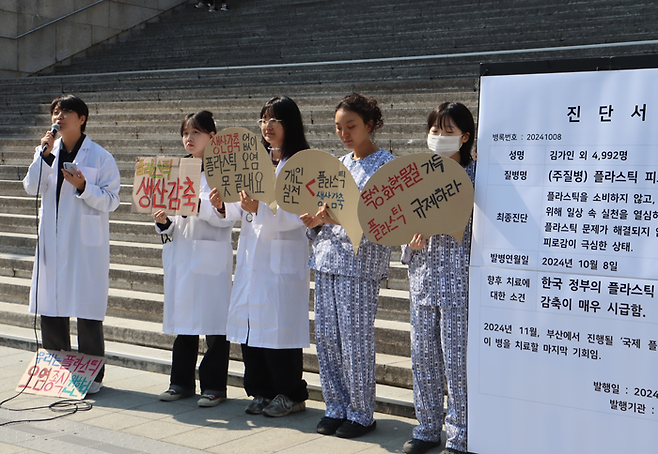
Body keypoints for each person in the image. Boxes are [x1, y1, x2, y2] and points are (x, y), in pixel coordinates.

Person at [301, 93, 393, 439]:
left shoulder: (386, 165)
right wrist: (316, 221)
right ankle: (336, 406)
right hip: (326, 259)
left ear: (370, 124)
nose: (344, 133)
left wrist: (338, 218)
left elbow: (385, 221)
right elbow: (324, 217)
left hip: (360, 264)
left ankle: (361, 412)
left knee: (355, 339)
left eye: (351, 126)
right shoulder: (337, 164)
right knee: (327, 337)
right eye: (339, 127)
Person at [23, 94, 121, 394]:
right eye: (56, 111)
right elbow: (30, 187)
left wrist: (83, 187)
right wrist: (45, 154)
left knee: (87, 311)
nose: (59, 116)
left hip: (84, 245)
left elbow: (113, 200)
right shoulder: (46, 151)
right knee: (51, 308)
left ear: (82, 118)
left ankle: (93, 377)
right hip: (53, 242)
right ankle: (57, 372)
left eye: (66, 111)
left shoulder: (100, 156)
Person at [226, 96, 310, 417]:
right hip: (252, 258)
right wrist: (226, 202)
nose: (267, 126)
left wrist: (259, 209)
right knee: (251, 329)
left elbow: (300, 214)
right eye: (263, 120)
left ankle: (290, 394)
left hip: (281, 262)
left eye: (275, 120)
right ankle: (260, 391)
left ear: (290, 125)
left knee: (279, 332)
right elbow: (240, 205)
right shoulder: (253, 160)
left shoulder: (301, 163)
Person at [400, 102, 476, 454]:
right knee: (423, 358)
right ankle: (427, 428)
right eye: (434, 131)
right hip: (424, 281)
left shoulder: (477, 177)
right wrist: (411, 242)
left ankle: (460, 435)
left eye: (448, 132)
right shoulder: (419, 176)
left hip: (460, 284)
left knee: (457, 363)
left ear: (464, 137)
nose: (439, 138)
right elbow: (402, 223)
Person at [155, 111, 235, 407]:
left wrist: (198, 205)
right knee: (184, 322)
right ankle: (180, 383)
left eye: (196, 133)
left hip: (210, 256)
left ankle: (214, 386)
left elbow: (229, 218)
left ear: (212, 137)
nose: (189, 138)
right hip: (183, 253)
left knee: (214, 327)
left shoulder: (224, 171)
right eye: (185, 133)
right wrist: (163, 222)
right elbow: (176, 222)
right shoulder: (176, 171)